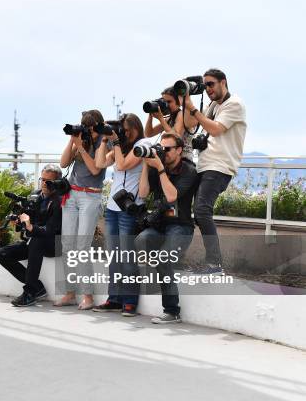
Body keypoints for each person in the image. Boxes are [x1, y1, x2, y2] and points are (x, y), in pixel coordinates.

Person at [181, 68, 247, 274]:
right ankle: (200, 260)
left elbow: (216, 129)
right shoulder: (211, 105)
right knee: (195, 213)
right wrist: (186, 100)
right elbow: (191, 124)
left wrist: (193, 110)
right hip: (205, 164)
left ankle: (215, 264)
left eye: (210, 84)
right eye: (205, 85)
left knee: (202, 210)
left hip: (219, 165)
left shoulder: (234, 104)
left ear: (223, 82)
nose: (207, 88)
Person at [135, 133, 199, 323]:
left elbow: (172, 196)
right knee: (141, 240)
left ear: (179, 150)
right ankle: (164, 259)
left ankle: (172, 311)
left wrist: (161, 169)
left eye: (167, 149)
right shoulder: (156, 167)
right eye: (161, 148)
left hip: (181, 227)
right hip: (160, 225)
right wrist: (147, 165)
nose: (163, 152)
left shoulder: (189, 170)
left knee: (163, 261)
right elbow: (143, 193)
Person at [92, 113, 148, 316]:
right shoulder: (119, 145)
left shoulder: (141, 145)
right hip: (113, 208)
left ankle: (130, 301)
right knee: (114, 257)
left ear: (134, 127)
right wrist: (105, 140)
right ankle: (114, 299)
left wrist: (115, 142)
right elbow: (99, 164)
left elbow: (123, 165)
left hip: (130, 208)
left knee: (127, 257)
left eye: (124, 128)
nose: (121, 131)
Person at [55, 110, 106, 310]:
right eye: (87, 130)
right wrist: (73, 140)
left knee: (82, 247)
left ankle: (88, 296)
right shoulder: (81, 139)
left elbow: (95, 170)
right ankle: (69, 292)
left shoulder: (104, 141)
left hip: (91, 195)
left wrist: (82, 149)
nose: (90, 134)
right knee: (67, 245)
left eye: (92, 130)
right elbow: (63, 163)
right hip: (72, 195)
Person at [0, 164, 63, 307]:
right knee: (2, 254)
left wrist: (31, 226)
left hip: (55, 243)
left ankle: (30, 292)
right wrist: (20, 222)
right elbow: (29, 220)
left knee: (37, 240)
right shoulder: (36, 195)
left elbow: (49, 231)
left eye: (48, 181)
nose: (44, 183)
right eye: (42, 179)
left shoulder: (60, 201)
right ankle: (37, 287)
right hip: (34, 241)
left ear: (57, 183)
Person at [144, 87, 195, 160]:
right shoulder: (169, 119)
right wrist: (150, 115)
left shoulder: (182, 114)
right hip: (172, 160)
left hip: (184, 160)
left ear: (178, 102)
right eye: (164, 101)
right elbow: (149, 133)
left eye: (169, 101)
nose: (166, 104)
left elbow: (176, 136)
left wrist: (161, 119)